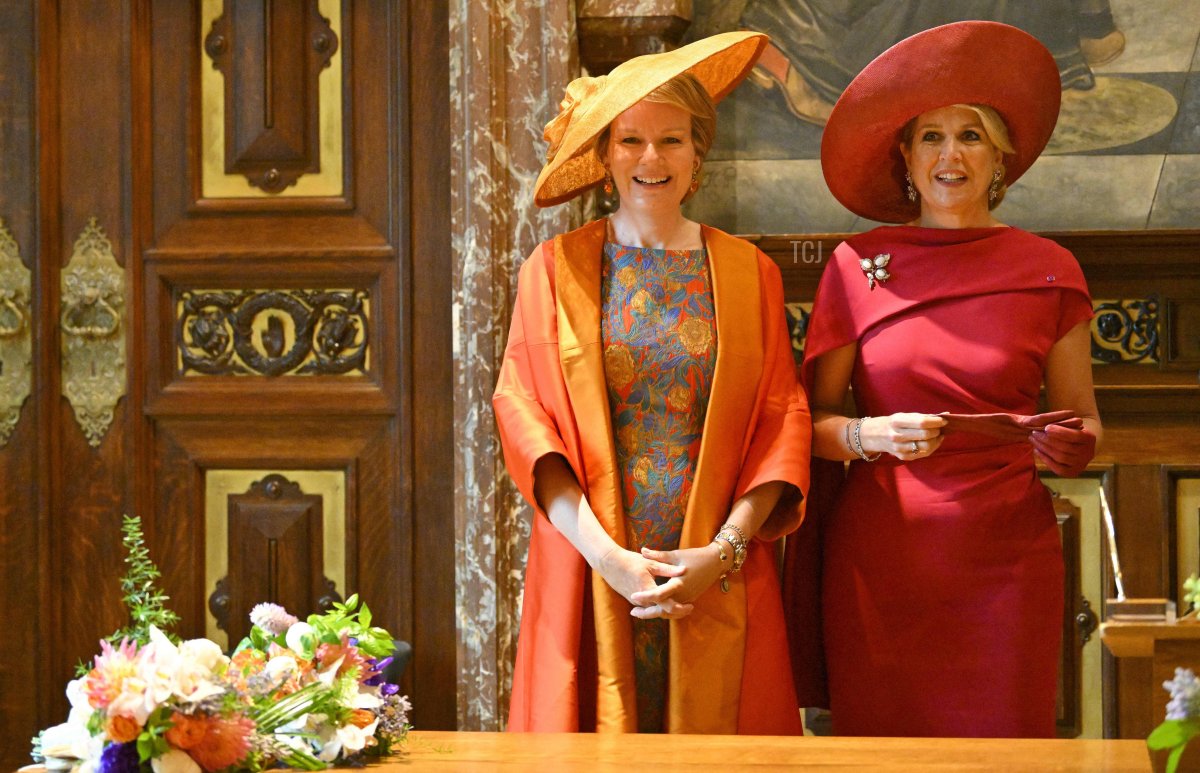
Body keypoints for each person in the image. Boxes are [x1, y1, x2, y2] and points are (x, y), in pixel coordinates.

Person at [784, 21, 1102, 738]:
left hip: (1008, 567)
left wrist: (1070, 445)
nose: (950, 153)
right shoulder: (853, 265)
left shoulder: (1050, 269)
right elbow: (810, 425)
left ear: (1001, 158)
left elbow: (1082, 419)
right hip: (882, 564)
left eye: (972, 135)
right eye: (931, 135)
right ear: (904, 156)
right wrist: (870, 433)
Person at [494, 31, 811, 734]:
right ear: (605, 156)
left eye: (671, 140)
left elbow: (781, 419)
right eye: (631, 140)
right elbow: (524, 417)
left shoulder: (748, 271)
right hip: (591, 572)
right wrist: (608, 558)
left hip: (716, 572)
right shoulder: (553, 269)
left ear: (699, 152)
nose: (650, 159)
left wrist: (721, 552)